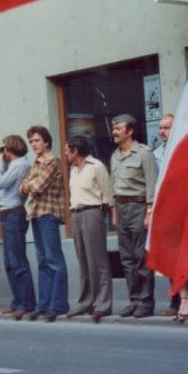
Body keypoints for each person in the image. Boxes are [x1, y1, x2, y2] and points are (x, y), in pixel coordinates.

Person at [154, 113, 188, 316]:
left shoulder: (187, 148)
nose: (162, 131)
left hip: (187, 208)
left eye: (166, 127)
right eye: (160, 128)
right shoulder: (157, 153)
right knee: (172, 256)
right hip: (167, 209)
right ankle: (178, 300)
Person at [109, 114, 157, 318]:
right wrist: (113, 211)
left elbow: (151, 184)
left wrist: (149, 213)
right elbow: (113, 186)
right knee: (127, 259)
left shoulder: (144, 153)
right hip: (121, 209)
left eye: (118, 128)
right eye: (114, 128)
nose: (114, 132)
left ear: (130, 131)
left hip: (139, 208)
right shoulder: (115, 155)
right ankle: (134, 300)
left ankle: (146, 302)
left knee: (141, 257)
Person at [20, 126, 70, 322]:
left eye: (37, 140)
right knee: (42, 261)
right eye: (31, 141)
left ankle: (58, 304)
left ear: (46, 142)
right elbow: (23, 186)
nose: (33, 144)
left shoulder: (51, 161)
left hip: (48, 213)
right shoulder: (36, 163)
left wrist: (27, 186)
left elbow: (37, 186)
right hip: (35, 213)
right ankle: (44, 304)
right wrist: (27, 186)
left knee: (54, 260)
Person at [64, 136, 113, 322]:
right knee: (83, 260)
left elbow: (107, 193)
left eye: (67, 150)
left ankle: (103, 304)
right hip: (76, 214)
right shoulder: (73, 169)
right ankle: (86, 302)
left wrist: (104, 216)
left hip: (92, 212)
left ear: (75, 151)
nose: (65, 153)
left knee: (98, 260)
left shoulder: (96, 166)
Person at [0, 134, 35, 320]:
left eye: (4, 149)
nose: (2, 152)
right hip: (8, 213)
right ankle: (18, 302)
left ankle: (26, 303)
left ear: (10, 149)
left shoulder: (19, 164)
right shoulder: (15, 164)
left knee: (17, 261)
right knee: (10, 262)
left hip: (14, 214)